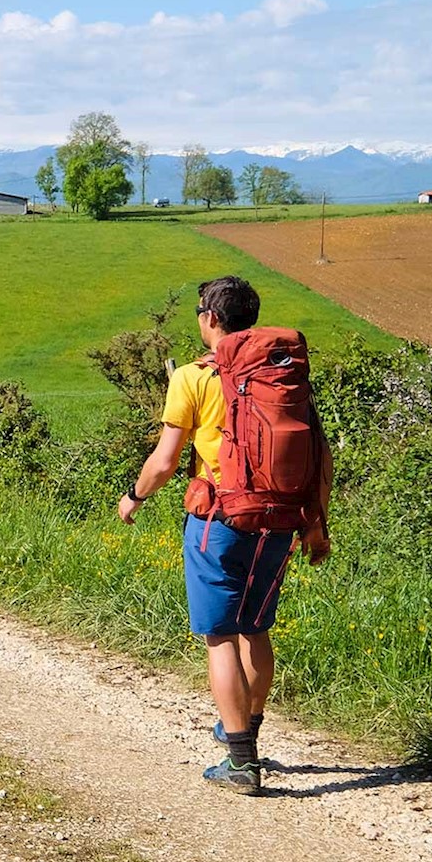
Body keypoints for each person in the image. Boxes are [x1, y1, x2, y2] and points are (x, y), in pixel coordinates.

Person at [117, 275, 294, 795]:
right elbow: (319, 453)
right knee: (255, 628)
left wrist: (134, 496)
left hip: (218, 522)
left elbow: (165, 461)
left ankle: (241, 761)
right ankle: (245, 735)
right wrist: (312, 522)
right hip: (278, 519)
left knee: (220, 635)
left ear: (210, 318)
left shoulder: (193, 378)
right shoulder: (281, 373)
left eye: (199, 311)